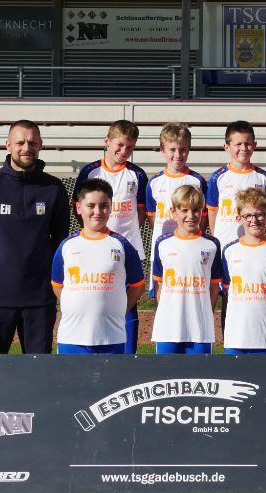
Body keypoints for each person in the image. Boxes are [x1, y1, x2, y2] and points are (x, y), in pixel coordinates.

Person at [0, 120, 69, 354]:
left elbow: (61, 239)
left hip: (39, 299)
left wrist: (44, 272)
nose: (26, 148)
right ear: (8, 145)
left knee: (37, 371)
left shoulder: (54, 188)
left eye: (32, 143)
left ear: (40, 145)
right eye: (20, 142)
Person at [71, 120, 148, 354]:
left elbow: (141, 212)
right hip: (94, 247)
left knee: (127, 303)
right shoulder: (90, 171)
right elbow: (78, 207)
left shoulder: (137, 174)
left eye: (130, 147)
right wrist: (92, 235)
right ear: (107, 141)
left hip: (126, 249)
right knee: (95, 297)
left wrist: (125, 240)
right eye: (120, 145)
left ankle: (127, 355)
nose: (124, 151)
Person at [51, 179, 145, 354]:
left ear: (111, 207)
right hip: (71, 338)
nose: (97, 212)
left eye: (103, 206)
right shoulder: (67, 246)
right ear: (79, 207)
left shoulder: (122, 245)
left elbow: (138, 286)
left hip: (111, 338)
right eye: (91, 205)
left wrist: (119, 310)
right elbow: (57, 285)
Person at [206, 120, 266, 333]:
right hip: (225, 247)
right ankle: (227, 340)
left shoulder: (262, 177)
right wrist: (218, 240)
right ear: (227, 147)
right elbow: (212, 213)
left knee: (246, 294)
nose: (243, 148)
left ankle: (252, 336)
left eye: (248, 143)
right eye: (238, 144)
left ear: (255, 145)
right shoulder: (218, 177)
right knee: (223, 295)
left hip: (252, 247)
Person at [150, 185, 221, 354]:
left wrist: (205, 315)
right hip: (168, 329)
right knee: (166, 371)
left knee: (199, 371)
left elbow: (213, 288)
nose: (191, 216)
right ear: (173, 212)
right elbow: (159, 286)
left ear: (202, 211)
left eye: (196, 210)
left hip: (200, 330)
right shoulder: (162, 243)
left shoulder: (212, 244)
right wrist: (167, 315)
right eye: (184, 210)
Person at [221, 188, 266, 354]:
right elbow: (227, 296)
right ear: (239, 217)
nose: (254, 220)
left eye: (259, 214)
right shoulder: (229, 251)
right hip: (236, 337)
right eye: (248, 216)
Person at [146, 123, 207, 299]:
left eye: (183, 150)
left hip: (190, 246)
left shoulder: (197, 181)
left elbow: (202, 218)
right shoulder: (154, 182)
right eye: (172, 149)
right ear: (162, 150)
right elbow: (152, 218)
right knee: (162, 292)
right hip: (163, 247)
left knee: (189, 292)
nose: (178, 155)